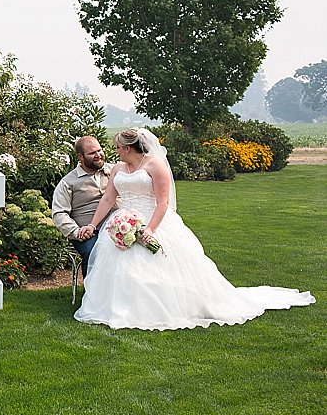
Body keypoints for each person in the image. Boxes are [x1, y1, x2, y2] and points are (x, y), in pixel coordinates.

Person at [74, 128, 315, 330]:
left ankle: (162, 308)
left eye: (117, 147)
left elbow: (163, 202)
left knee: (157, 267)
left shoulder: (155, 166)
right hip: (124, 222)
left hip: (153, 220)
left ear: (128, 148)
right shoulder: (117, 169)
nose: (115, 151)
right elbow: (107, 200)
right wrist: (94, 225)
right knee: (120, 269)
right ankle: (118, 307)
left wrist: (150, 229)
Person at [52, 136, 116, 279]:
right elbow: (59, 213)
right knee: (94, 251)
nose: (99, 155)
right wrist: (76, 231)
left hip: (117, 227)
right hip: (88, 233)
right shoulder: (68, 182)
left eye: (99, 150)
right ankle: (93, 296)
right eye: (92, 153)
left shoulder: (115, 171)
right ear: (80, 157)